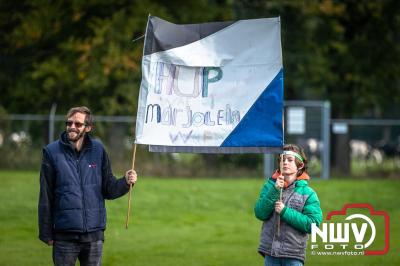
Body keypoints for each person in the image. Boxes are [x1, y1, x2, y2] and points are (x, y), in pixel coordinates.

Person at [38, 106, 137, 266]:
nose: (72, 127)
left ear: (88, 128)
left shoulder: (98, 150)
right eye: (69, 123)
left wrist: (125, 182)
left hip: (93, 236)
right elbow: (46, 195)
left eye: (78, 124)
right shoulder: (51, 152)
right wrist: (46, 232)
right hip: (64, 236)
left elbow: (109, 189)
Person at [254, 144, 322, 266]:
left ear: (299, 165)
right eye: (282, 159)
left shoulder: (308, 194)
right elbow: (260, 213)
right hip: (270, 254)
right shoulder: (270, 186)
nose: (285, 162)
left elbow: (313, 224)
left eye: (290, 160)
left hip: (293, 255)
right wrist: (275, 190)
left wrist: (285, 211)